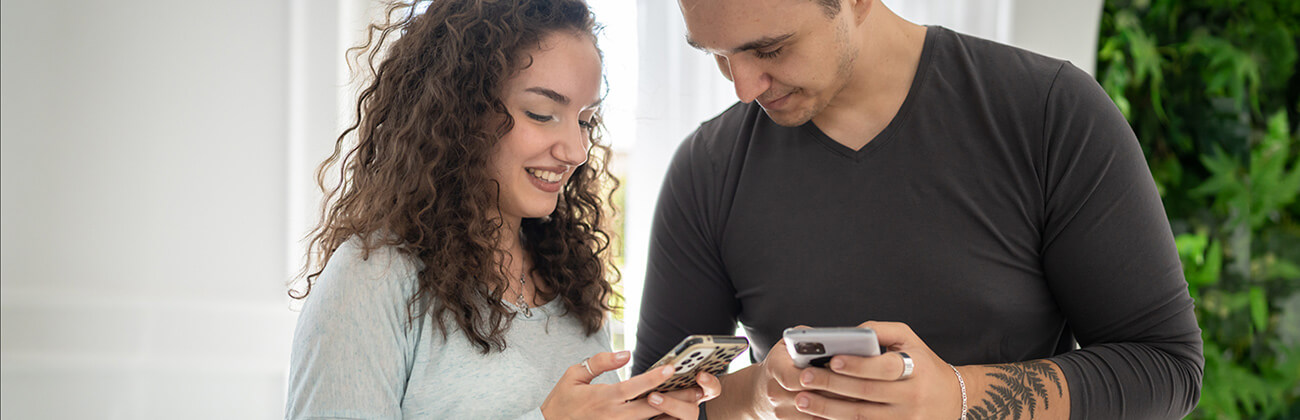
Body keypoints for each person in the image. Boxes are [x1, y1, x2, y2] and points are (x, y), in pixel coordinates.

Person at [633, 0, 1203, 419]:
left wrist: (957, 396)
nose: (743, 87)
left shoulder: (1049, 113)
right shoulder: (707, 170)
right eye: (717, 56)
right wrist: (758, 395)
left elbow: (1166, 367)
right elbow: (653, 408)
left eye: (770, 49)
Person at [284, 1, 720, 418]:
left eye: (585, 120)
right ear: (460, 112)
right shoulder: (372, 278)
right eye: (542, 113)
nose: (576, 150)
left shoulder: (569, 280)